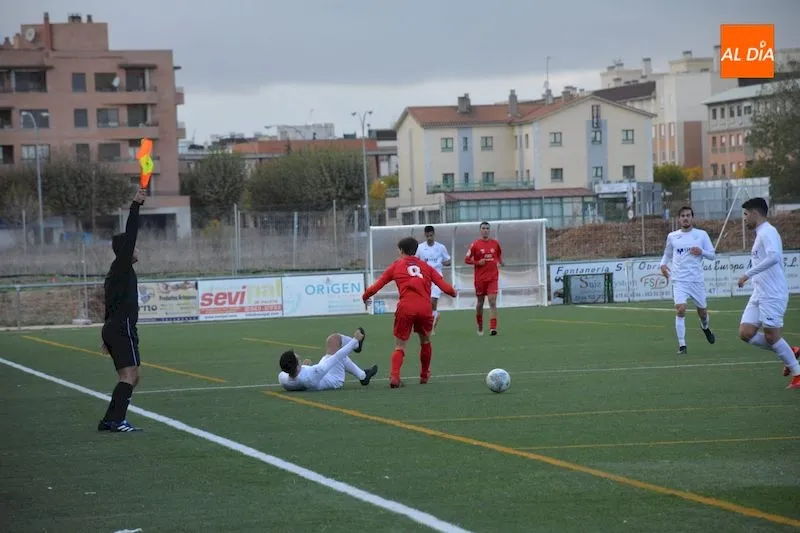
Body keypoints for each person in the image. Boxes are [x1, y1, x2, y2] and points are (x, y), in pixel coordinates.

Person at [362, 237, 457, 388]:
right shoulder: (426, 267)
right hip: (425, 308)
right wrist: (453, 292)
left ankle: (394, 377)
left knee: (400, 346)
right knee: (425, 341)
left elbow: (377, 285)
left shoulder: (396, 265)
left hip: (406, 308)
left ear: (401, 250)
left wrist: (365, 296)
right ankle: (424, 376)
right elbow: (444, 286)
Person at [736, 197, 800, 389]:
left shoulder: (767, 232)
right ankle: (790, 351)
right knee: (746, 333)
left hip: (773, 293)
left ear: (755, 213)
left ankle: (797, 373)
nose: (744, 219)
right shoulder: (760, 234)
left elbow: (774, 257)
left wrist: (747, 274)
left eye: (746, 214)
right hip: (759, 293)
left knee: (772, 337)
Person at [98, 188, 148, 432]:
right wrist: (135, 205)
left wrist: (105, 334)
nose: (137, 250)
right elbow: (131, 231)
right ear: (126, 249)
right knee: (129, 377)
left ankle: (110, 419)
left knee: (132, 377)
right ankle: (117, 421)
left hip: (116, 328)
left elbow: (110, 304)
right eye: (134, 247)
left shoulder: (117, 273)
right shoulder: (121, 267)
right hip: (121, 328)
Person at [659, 206, 717, 354]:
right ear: (679, 219)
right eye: (683, 216)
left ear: (692, 218)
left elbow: (712, 255)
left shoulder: (701, 235)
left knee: (702, 313)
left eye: (688, 215)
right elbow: (667, 254)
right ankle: (682, 345)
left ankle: (705, 328)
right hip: (679, 280)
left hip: (696, 280)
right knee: (680, 309)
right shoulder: (672, 236)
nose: (685, 218)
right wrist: (662, 265)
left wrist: (701, 251)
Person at [278, 328, 377, 391]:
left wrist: (304, 366)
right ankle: (357, 346)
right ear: (296, 366)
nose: (299, 356)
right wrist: (355, 339)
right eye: (297, 358)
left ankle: (362, 375)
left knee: (331, 350)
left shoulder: (283, 378)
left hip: (321, 375)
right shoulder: (310, 376)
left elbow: (296, 376)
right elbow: (337, 357)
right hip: (334, 378)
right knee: (334, 340)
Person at [465, 221, 503, 336]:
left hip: (492, 278)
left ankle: (493, 328)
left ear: (489, 230)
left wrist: (500, 262)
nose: (485, 230)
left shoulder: (495, 243)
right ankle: (480, 323)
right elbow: (466, 259)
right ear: (480, 230)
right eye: (483, 228)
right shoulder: (475, 244)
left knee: (492, 301)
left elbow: (499, 255)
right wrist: (477, 262)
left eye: (487, 228)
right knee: (480, 302)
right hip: (480, 279)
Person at [415, 225, 452, 334]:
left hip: (437, 277)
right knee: (425, 302)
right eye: (427, 236)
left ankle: (431, 323)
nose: (429, 237)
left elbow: (448, 261)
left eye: (431, 235)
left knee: (433, 300)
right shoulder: (420, 248)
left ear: (434, 234)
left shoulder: (441, 247)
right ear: (425, 235)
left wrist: (441, 262)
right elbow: (415, 261)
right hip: (424, 277)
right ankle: (434, 316)